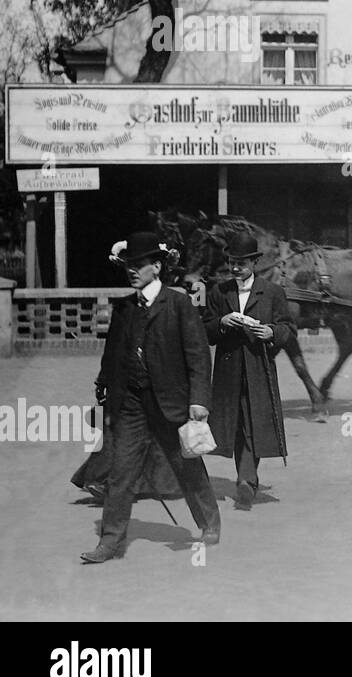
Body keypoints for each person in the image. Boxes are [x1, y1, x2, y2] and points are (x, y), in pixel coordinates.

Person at [80, 231, 221, 563]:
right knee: (121, 471)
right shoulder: (125, 307)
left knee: (186, 466)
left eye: (140, 264)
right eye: (129, 265)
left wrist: (199, 399)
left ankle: (209, 523)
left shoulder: (179, 304)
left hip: (171, 404)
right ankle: (111, 541)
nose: (132, 270)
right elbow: (114, 351)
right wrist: (105, 384)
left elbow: (199, 356)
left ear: (157, 267)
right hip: (130, 404)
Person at [202, 230, 294, 510]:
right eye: (232, 261)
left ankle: (246, 480)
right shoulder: (219, 292)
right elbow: (205, 331)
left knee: (255, 422)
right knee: (235, 424)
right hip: (229, 370)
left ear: (254, 263)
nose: (235, 267)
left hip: (259, 367)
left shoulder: (273, 292)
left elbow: (288, 329)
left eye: (241, 262)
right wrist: (222, 321)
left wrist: (270, 331)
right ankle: (246, 478)